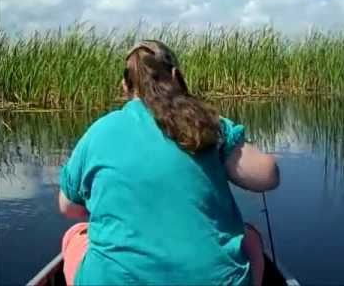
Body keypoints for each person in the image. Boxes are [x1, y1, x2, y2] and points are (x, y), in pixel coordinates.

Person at [58, 40, 280, 285]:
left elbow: (68, 207)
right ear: (175, 76)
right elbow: (268, 176)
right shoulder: (206, 125)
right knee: (250, 237)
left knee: (76, 236)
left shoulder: (98, 132)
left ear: (124, 86)